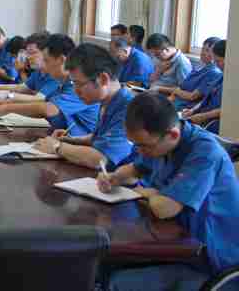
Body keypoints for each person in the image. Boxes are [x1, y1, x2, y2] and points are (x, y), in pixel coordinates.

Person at [99, 93, 239, 291]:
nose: (139, 151)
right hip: (174, 239)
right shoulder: (159, 142)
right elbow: (136, 169)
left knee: (116, 281)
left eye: (143, 146)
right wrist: (114, 177)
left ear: (172, 134)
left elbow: (165, 209)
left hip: (207, 259)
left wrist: (149, 192)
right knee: (102, 263)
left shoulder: (205, 153)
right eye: (135, 145)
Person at [32, 44, 136, 170]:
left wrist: (57, 147)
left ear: (103, 79)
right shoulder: (108, 101)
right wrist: (72, 140)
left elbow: (100, 159)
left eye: (79, 84)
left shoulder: (131, 109)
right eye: (73, 83)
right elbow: (100, 138)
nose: (75, 91)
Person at [0, 34, 100, 137]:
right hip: (66, 138)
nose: (45, 66)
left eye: (47, 60)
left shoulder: (79, 83)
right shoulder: (63, 82)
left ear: (61, 60)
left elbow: (49, 109)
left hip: (84, 145)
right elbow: (46, 106)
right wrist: (48, 133)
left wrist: (8, 108)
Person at [0, 32, 59, 104]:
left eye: (33, 53)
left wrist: (8, 95)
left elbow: (39, 98)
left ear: (46, 53)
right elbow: (22, 87)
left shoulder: (56, 74)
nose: (28, 57)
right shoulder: (39, 71)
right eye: (28, 53)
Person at [154, 37, 222, 110]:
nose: (203, 53)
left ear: (215, 54)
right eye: (202, 49)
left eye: (207, 50)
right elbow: (182, 86)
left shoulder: (213, 72)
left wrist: (161, 89)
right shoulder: (199, 66)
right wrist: (171, 97)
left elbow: (192, 96)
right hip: (175, 100)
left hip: (186, 106)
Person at [182, 40, 226, 134]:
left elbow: (227, 108)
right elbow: (206, 98)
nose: (216, 64)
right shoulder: (221, 76)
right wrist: (193, 110)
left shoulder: (220, 76)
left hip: (213, 123)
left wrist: (203, 116)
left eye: (218, 61)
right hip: (202, 116)